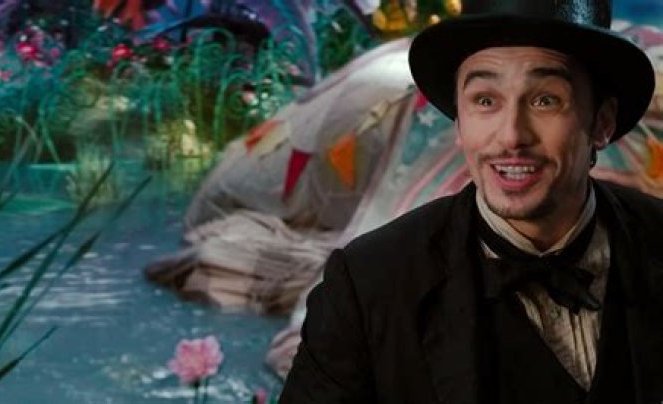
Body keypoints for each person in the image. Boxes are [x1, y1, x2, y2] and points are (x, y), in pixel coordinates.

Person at [280, 1, 662, 403]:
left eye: (545, 100)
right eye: (484, 101)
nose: (511, 136)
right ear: (459, 123)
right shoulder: (368, 285)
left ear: (602, 122)